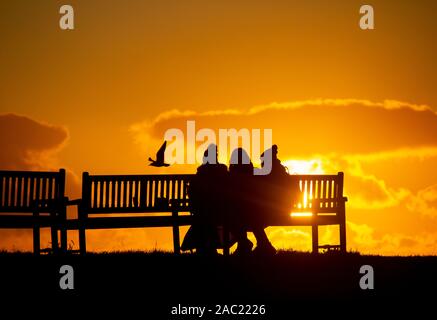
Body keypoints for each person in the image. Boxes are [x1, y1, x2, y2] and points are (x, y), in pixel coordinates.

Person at [228, 148, 276, 255]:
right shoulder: (255, 173)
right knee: (248, 213)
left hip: (248, 213)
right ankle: (262, 244)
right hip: (260, 212)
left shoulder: (231, 176)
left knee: (235, 214)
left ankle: (245, 244)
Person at [183, 144, 228, 255]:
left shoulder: (201, 172)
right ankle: (209, 248)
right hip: (220, 209)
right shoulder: (222, 169)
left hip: (203, 210)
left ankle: (205, 248)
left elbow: (193, 192)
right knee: (206, 216)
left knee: (203, 217)